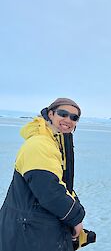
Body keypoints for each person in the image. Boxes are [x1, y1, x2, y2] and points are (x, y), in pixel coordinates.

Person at [0, 98, 86, 251]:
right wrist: (76, 219)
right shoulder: (40, 144)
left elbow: (60, 185)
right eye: (63, 114)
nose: (68, 120)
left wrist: (75, 208)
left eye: (74, 117)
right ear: (51, 114)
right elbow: (50, 192)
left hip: (32, 227)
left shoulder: (52, 141)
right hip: (30, 232)